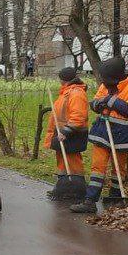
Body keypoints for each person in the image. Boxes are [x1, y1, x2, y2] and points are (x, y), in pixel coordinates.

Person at [70, 57, 128, 213]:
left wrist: (109, 100)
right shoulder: (106, 85)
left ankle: (116, 198)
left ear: (117, 77)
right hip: (103, 133)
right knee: (97, 168)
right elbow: (95, 103)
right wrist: (105, 102)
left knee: (119, 170)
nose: (105, 84)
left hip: (123, 137)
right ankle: (90, 201)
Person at [43, 67, 88, 199]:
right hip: (63, 132)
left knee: (73, 162)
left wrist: (66, 131)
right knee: (63, 163)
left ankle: (76, 189)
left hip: (72, 133)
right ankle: (63, 188)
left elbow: (78, 116)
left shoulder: (76, 93)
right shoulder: (66, 92)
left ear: (64, 80)